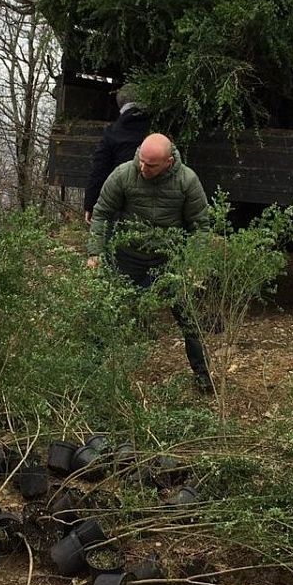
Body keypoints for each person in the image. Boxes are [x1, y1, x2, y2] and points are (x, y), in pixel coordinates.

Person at [86, 133, 213, 392]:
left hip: (168, 262)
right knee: (107, 314)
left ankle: (203, 378)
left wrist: (194, 262)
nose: (143, 168)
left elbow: (201, 226)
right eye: (141, 161)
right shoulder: (123, 174)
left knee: (188, 319)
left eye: (151, 165)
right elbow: (101, 214)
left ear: (168, 161)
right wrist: (95, 252)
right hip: (128, 258)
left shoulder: (187, 181)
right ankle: (90, 377)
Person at [83, 84, 149, 225]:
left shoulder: (112, 132)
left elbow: (99, 170)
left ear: (120, 106)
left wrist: (90, 204)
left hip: (122, 199)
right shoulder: (158, 127)